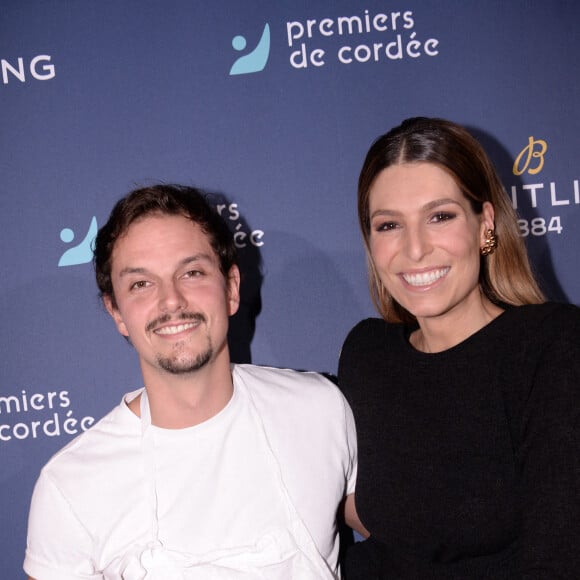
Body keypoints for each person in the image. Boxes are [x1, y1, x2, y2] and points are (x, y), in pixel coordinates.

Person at [24, 184, 357, 579]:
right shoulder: (70, 486)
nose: (171, 301)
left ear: (231, 289)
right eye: (141, 284)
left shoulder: (320, 409)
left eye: (192, 272)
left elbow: (410, 537)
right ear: (116, 312)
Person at [339, 117, 580, 579]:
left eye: (440, 216)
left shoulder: (550, 347)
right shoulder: (368, 355)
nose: (414, 250)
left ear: (485, 223)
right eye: (389, 225)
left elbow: (558, 554)